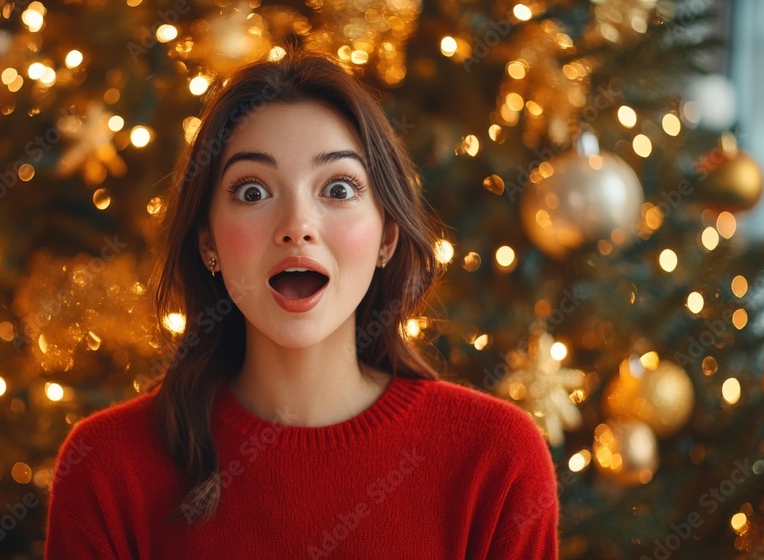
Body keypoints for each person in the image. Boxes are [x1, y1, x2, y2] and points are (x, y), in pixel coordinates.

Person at [44, 46, 559, 559]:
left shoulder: (495, 457)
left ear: (387, 237)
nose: (296, 227)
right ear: (208, 244)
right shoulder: (105, 466)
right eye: (252, 192)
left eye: (338, 188)